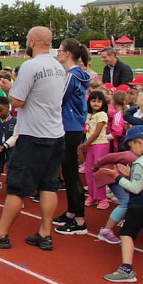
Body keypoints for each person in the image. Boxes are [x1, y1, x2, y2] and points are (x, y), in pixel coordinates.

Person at [0, 27, 66, 252]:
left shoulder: (30, 66)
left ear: (32, 40)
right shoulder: (58, 66)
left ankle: (1, 234)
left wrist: (8, 87)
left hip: (33, 133)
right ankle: (45, 234)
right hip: (55, 132)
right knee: (48, 184)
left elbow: (16, 101)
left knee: (16, 186)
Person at [99, 125, 143, 282]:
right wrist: (131, 175)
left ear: (139, 142)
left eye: (131, 145)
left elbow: (135, 188)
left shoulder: (141, 163)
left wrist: (117, 177)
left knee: (126, 233)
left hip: (139, 204)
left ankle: (127, 270)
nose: (131, 150)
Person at [52, 38, 93, 235]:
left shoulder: (71, 76)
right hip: (73, 126)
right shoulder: (79, 75)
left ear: (68, 53)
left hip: (69, 127)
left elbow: (58, 99)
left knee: (71, 172)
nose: (58, 53)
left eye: (60, 50)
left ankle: (79, 220)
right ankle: (71, 212)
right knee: (69, 171)